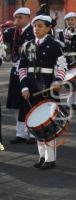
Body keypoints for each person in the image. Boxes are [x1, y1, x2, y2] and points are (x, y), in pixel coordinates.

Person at [19, 15, 68, 170]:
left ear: (48, 28)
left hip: (48, 89)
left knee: (48, 124)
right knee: (37, 124)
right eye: (35, 26)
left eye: (40, 26)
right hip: (33, 89)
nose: (36, 29)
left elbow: (62, 66)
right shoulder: (27, 45)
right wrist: (24, 87)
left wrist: (56, 82)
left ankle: (50, 158)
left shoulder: (54, 45)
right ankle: (41, 155)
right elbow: (22, 68)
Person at [2, 7, 36, 144]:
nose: (17, 20)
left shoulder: (33, 31)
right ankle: (20, 132)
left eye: (20, 17)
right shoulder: (11, 32)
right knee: (16, 102)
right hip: (16, 69)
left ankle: (33, 133)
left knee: (29, 102)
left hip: (29, 71)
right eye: (16, 17)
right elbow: (8, 52)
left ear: (28, 17)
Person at [57, 12, 76, 108]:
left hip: (75, 57)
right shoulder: (62, 31)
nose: (70, 21)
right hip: (66, 58)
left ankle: (75, 101)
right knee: (68, 80)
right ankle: (70, 101)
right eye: (68, 20)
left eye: (72, 19)